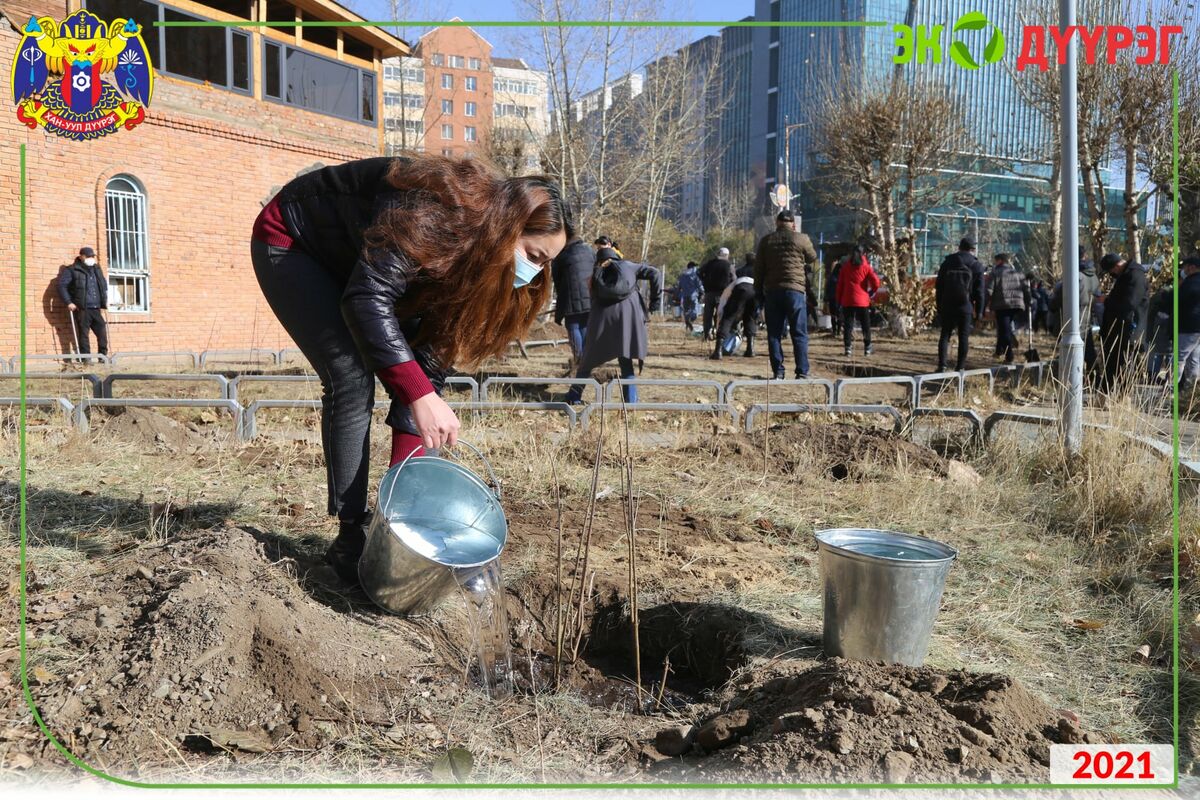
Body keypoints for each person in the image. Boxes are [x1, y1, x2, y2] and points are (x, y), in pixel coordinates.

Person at [251, 155, 572, 583]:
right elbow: (366, 299)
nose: (537, 272)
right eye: (534, 255)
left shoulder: (478, 264)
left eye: (547, 263)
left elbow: (432, 356)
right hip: (296, 241)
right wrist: (420, 395)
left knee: (418, 387)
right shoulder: (435, 212)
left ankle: (386, 518)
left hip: (357, 262)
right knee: (350, 376)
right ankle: (350, 535)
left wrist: (404, 490)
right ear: (507, 228)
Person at [565, 247, 662, 404]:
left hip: (601, 319)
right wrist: (655, 301)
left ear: (598, 260)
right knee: (626, 359)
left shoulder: (595, 273)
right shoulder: (629, 266)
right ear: (616, 257)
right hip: (628, 318)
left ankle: (574, 396)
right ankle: (630, 401)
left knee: (587, 360)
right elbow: (655, 273)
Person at [754, 209, 818, 379]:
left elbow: (758, 270)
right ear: (793, 224)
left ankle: (778, 372)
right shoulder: (801, 238)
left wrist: (758, 295)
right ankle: (802, 372)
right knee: (799, 333)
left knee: (774, 334)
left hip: (773, 292)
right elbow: (812, 256)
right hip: (795, 291)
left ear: (777, 223)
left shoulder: (766, 241)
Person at [1097, 252, 1149, 394]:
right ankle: (1109, 396)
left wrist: (1107, 301)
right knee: (1114, 364)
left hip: (1126, 330)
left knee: (1122, 365)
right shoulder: (1128, 275)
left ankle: (1119, 398)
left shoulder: (1134, 276)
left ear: (1116, 266)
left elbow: (1129, 303)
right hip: (1120, 329)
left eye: (1111, 271)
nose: (1111, 274)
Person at [934, 237, 985, 372]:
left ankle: (942, 365)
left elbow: (939, 286)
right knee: (963, 336)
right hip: (965, 306)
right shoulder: (976, 265)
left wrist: (939, 305)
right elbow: (980, 291)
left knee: (945, 335)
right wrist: (979, 312)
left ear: (959, 247)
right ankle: (960, 367)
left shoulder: (948, 262)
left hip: (947, 304)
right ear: (972, 249)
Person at [1050, 246, 1101, 370]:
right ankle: (1094, 377)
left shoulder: (1074, 276)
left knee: (1073, 349)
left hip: (1071, 319)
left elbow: (1060, 299)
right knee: (1088, 350)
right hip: (1086, 317)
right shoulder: (1093, 276)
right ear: (1085, 256)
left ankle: (1070, 376)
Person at [1153, 256, 1200, 387]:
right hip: (1195, 328)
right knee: (1194, 359)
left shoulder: (1190, 283)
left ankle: (1171, 388)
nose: (1183, 270)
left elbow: (1175, 300)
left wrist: (1168, 294)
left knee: (1178, 358)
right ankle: (1191, 391)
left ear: (1191, 267)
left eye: (1185, 267)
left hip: (1188, 327)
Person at [58, 246, 109, 357]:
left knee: (102, 333)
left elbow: (103, 284)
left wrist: (105, 298)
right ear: (81, 256)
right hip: (82, 308)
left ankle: (103, 358)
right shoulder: (72, 270)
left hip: (96, 307)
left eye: (92, 256)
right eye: (88, 256)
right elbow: (62, 286)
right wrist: (68, 302)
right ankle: (86, 359)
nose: (91, 258)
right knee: (84, 335)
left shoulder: (96, 268)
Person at [551, 235, 593, 364]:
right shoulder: (590, 251)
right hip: (590, 296)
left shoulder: (562, 255)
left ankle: (578, 359)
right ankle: (586, 358)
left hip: (570, 296)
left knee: (573, 326)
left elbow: (557, 281)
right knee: (585, 325)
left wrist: (560, 304)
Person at [835, 245, 880, 358]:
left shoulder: (845, 267)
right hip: (862, 301)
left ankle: (848, 349)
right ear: (863, 254)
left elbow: (840, 285)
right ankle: (867, 348)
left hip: (848, 300)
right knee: (866, 325)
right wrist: (871, 292)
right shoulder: (866, 267)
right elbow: (876, 282)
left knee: (848, 326)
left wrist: (839, 301)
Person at [987, 253, 1030, 364]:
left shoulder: (995, 273)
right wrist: (1027, 302)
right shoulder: (1018, 273)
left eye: (995, 261)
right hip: (1017, 305)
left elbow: (989, 290)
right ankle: (999, 350)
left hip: (1002, 305)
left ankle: (1009, 356)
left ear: (1000, 261)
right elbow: (1026, 289)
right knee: (1003, 328)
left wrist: (986, 304)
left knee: (1004, 329)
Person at [710, 274, 757, 360]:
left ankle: (718, 352)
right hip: (755, 290)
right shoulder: (753, 280)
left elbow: (721, 308)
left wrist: (719, 321)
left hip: (741, 289)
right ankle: (750, 350)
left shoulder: (731, 285)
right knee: (750, 318)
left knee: (728, 317)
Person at [699, 247, 736, 340]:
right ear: (727, 255)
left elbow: (699, 272)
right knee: (720, 314)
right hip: (723, 293)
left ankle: (707, 333)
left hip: (709, 292)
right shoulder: (728, 265)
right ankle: (718, 333)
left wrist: (704, 281)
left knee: (708, 314)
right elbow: (734, 279)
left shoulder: (709, 264)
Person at [676, 261, 702, 332]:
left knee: (686, 311)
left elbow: (679, 287)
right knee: (695, 312)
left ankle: (688, 322)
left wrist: (677, 294)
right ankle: (689, 320)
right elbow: (699, 285)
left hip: (684, 296)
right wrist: (703, 292)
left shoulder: (682, 276)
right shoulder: (694, 275)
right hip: (693, 296)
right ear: (693, 267)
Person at [824, 257, 842, 337]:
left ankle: (835, 330)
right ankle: (838, 330)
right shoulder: (840, 278)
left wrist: (826, 299)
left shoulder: (831, 278)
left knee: (833, 316)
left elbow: (827, 289)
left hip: (832, 299)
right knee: (839, 315)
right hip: (839, 299)